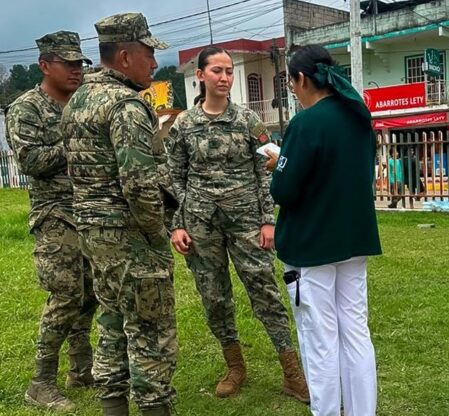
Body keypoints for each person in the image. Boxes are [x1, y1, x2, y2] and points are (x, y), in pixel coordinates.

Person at [166, 46, 309, 402]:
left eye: (229, 71)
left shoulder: (248, 121)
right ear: (200, 75)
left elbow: (266, 172)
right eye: (217, 70)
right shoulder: (183, 125)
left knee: (265, 292)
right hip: (201, 225)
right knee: (215, 298)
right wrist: (177, 225)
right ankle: (235, 366)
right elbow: (173, 178)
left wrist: (266, 220)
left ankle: (292, 373)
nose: (224, 77)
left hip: (247, 221)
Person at [61, 13, 177, 416]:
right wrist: (157, 232)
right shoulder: (126, 105)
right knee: (151, 330)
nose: (154, 63)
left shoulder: (77, 102)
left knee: (112, 321)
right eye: (148, 53)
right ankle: (153, 408)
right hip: (130, 236)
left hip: (94, 234)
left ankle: (113, 407)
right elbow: (140, 185)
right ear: (125, 56)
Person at [268, 44, 382, 416]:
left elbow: (284, 190)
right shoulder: (357, 116)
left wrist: (277, 164)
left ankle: (328, 412)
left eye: (290, 83)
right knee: (355, 332)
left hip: (314, 244)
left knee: (320, 339)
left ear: (301, 80)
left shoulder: (306, 122)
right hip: (355, 238)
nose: (293, 91)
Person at [4, 31, 97, 412]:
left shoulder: (86, 101)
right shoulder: (26, 109)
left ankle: (81, 370)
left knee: (90, 294)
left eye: (80, 63)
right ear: (45, 65)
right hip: (55, 215)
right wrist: (76, 140)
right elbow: (32, 162)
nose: (76, 70)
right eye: (68, 63)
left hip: (92, 210)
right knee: (65, 295)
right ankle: (40, 382)